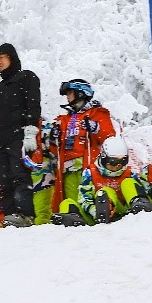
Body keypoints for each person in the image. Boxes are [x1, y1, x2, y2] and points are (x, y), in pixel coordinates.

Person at [0, 43, 41, 227]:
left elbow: (33, 105)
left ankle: (25, 215)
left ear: (12, 57)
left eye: (2, 57)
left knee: (20, 177)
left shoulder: (26, 77)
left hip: (19, 136)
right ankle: (9, 216)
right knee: (4, 181)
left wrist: (31, 130)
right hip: (2, 140)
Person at [47, 79, 116, 212]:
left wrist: (95, 128)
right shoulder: (64, 119)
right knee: (72, 201)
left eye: (70, 93)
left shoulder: (97, 113)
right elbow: (55, 151)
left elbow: (109, 137)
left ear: (80, 93)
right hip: (68, 170)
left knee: (89, 197)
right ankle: (74, 219)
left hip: (90, 167)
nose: (67, 97)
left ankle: (98, 216)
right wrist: (53, 139)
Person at [53, 136, 135, 225]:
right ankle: (73, 222)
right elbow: (83, 198)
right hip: (95, 217)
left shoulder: (129, 174)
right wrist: (95, 212)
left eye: (122, 162)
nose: (116, 166)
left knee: (106, 191)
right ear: (104, 158)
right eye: (112, 162)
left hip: (121, 213)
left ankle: (107, 212)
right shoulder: (90, 173)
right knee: (67, 203)